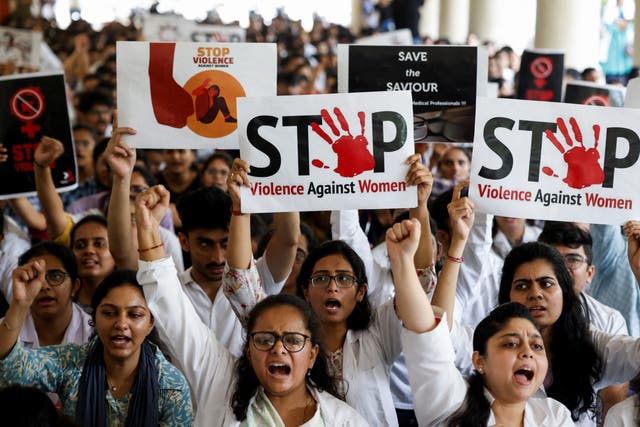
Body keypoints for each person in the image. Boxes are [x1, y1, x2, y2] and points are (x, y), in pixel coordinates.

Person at [220, 158, 435, 427]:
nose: (332, 286)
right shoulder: (283, 331)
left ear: (361, 292)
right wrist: (240, 210)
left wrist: (420, 206)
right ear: (305, 290)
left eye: (344, 279)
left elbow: (422, 282)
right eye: (321, 278)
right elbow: (240, 285)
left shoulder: (380, 332)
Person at [133, 188, 367, 426]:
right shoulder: (222, 384)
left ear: (312, 355)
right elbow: (170, 306)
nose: (278, 350)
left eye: (293, 340)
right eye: (264, 340)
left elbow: (286, 241)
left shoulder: (343, 420)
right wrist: (148, 227)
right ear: (248, 350)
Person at [447, 242, 640, 426]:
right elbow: (439, 335)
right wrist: (456, 248)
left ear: (564, 292)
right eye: (522, 286)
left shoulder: (590, 342)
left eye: (546, 284)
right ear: (507, 297)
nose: (535, 294)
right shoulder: (488, 342)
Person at [0, 268, 193, 426]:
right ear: (93, 318)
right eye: (109, 313)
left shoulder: (170, 386)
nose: (121, 324)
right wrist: (20, 304)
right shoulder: (71, 363)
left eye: (134, 315)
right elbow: (9, 370)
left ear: (151, 323)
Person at [1, 241, 92, 349]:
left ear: (75, 286)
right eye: (34, 277)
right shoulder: (4, 329)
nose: (44, 287)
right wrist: (19, 304)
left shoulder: (94, 332)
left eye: (56, 276)